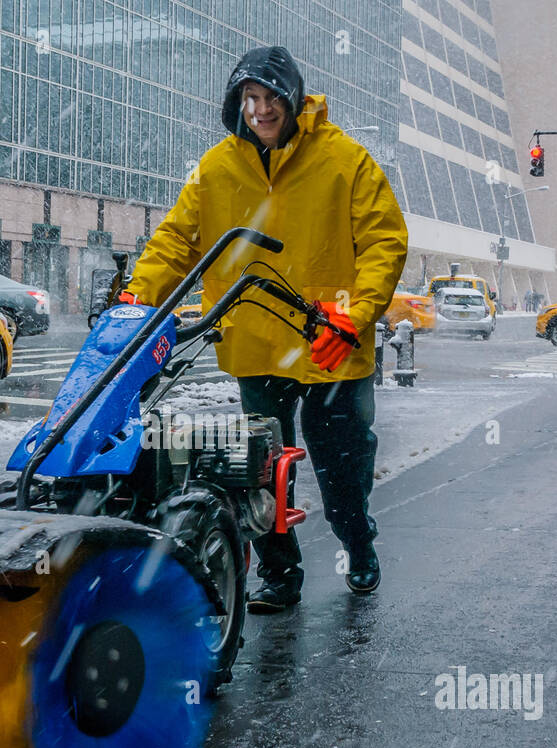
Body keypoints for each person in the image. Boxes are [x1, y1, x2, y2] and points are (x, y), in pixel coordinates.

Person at [122, 46, 408, 609]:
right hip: (256, 340)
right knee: (262, 471)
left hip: (332, 341)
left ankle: (358, 544)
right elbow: (177, 241)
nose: (261, 109)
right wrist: (138, 295)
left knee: (342, 464)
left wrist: (354, 314)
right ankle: (281, 572)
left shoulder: (345, 160)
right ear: (237, 105)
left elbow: (384, 240)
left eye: (271, 96)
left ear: (293, 97)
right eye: (249, 98)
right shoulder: (216, 168)